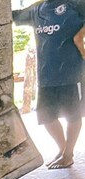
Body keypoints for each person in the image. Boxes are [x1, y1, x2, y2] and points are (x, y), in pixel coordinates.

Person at [13, 1, 85, 169]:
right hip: (46, 75)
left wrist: (80, 37)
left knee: (72, 116)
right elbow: (9, 16)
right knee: (45, 116)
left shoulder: (75, 4)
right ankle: (63, 149)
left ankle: (68, 155)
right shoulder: (37, 9)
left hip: (71, 73)